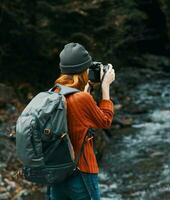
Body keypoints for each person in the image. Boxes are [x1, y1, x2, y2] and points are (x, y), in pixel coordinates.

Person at [49, 42, 115, 200]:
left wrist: (88, 89)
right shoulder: (81, 99)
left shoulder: (53, 93)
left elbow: (77, 115)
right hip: (81, 173)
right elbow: (105, 120)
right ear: (84, 69)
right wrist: (105, 86)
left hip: (56, 175)